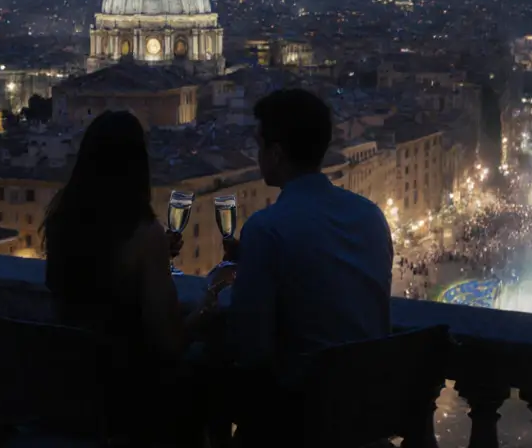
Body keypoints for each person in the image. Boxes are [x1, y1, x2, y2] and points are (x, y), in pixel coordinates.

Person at [42, 110, 217, 445]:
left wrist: (151, 255)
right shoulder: (144, 233)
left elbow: (100, 268)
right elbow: (169, 343)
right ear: (139, 165)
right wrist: (206, 310)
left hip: (74, 389)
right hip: (132, 400)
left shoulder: (61, 221)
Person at [225, 89, 394, 433]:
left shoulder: (266, 228)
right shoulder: (371, 216)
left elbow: (252, 348)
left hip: (302, 419)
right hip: (364, 412)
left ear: (275, 154)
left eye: (259, 147)